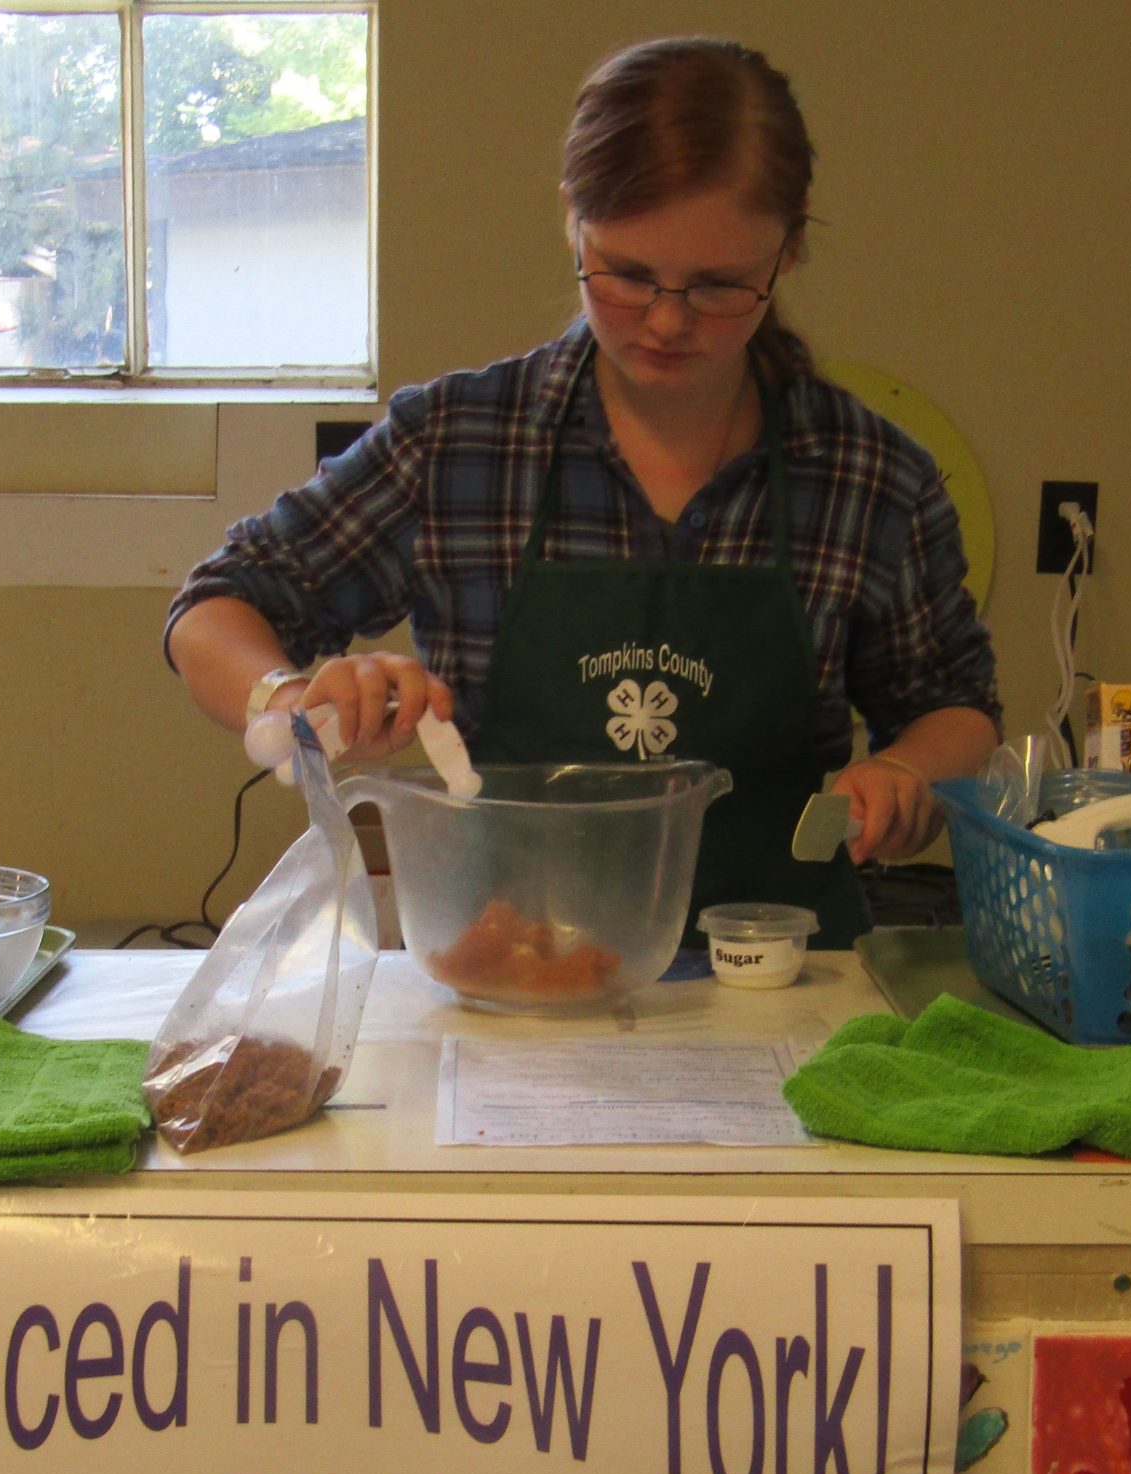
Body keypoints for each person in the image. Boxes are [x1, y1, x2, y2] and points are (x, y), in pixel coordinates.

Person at [164, 37, 1002, 947]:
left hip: (777, 985)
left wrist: (913, 773)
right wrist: (289, 703)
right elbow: (216, 607)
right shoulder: (456, 444)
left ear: (789, 249)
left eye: (720, 285)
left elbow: (954, 706)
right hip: (509, 974)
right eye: (629, 274)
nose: (669, 320)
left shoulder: (868, 475)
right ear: (573, 219)